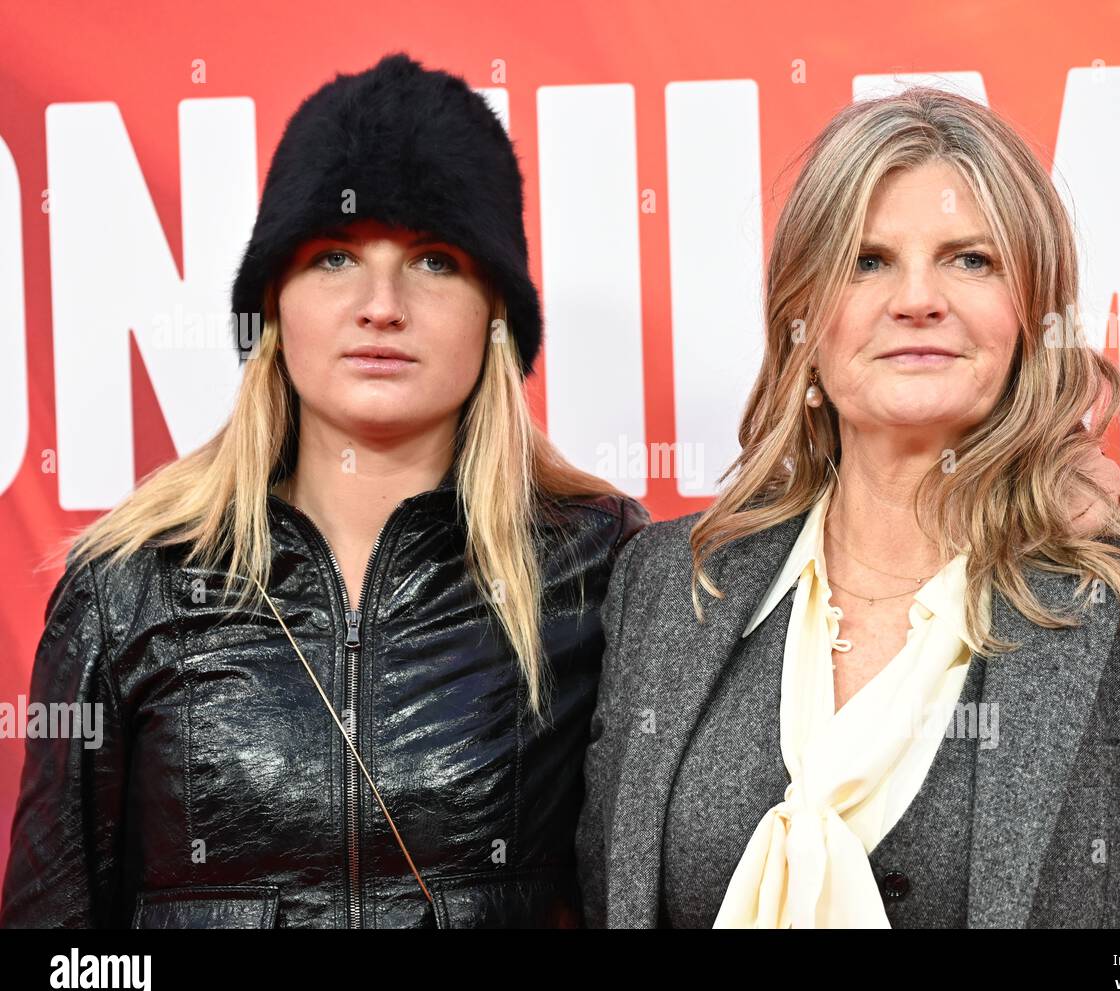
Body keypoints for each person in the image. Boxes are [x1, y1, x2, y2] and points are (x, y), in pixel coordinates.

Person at [576, 87, 1120, 928]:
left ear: (1033, 317)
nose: (918, 298)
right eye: (868, 260)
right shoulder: (664, 587)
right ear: (802, 320)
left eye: (971, 260)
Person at [0, 53, 647, 929]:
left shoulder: (602, 569)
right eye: (335, 256)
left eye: (435, 261)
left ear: (497, 314)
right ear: (273, 306)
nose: (381, 305)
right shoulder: (126, 587)